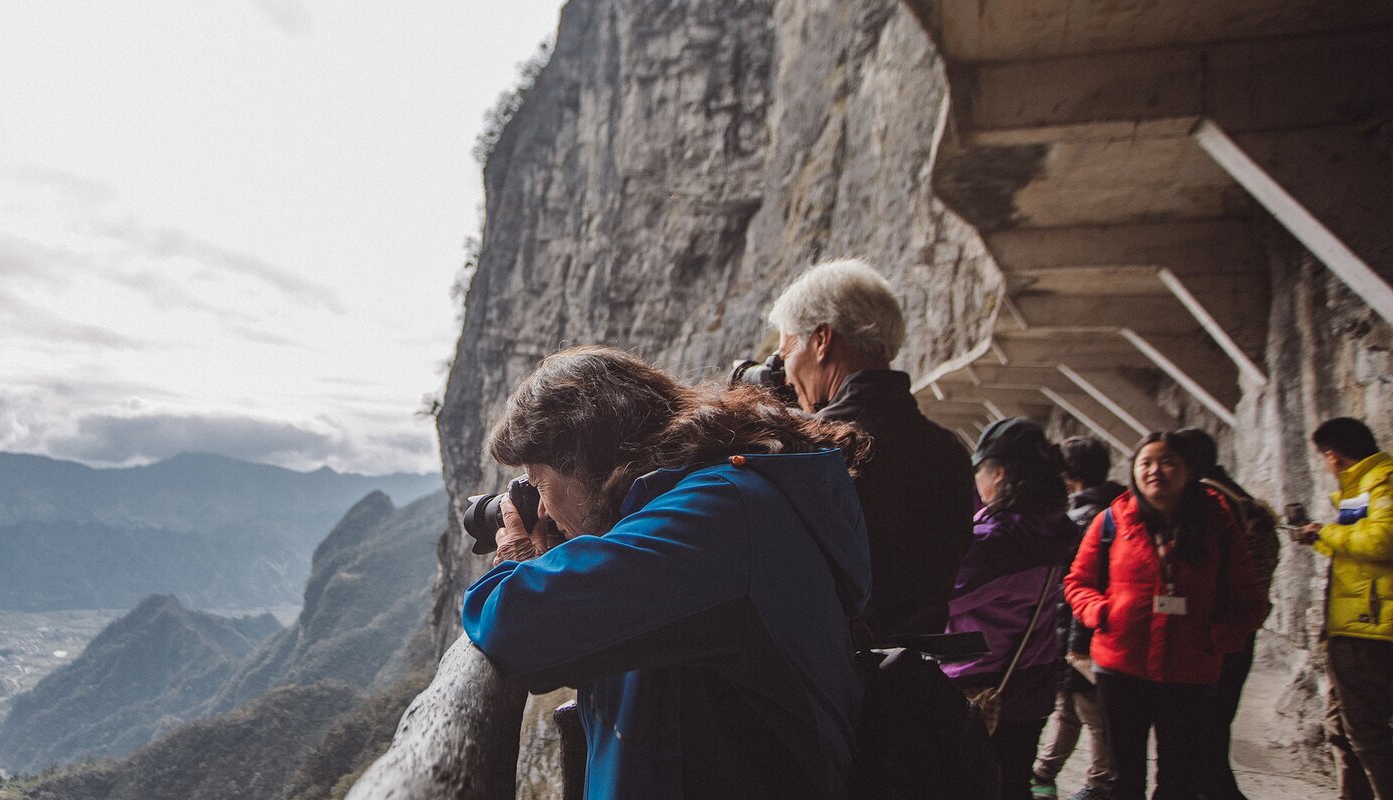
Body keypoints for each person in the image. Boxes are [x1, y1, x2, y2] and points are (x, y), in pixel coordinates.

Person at [461, 345, 871, 800]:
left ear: (586, 459)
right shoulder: (715, 503)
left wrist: (519, 561)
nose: (541, 510)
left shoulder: (716, 516)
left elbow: (515, 624)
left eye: (540, 484)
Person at [768, 257, 974, 641]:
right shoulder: (952, 453)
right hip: (913, 669)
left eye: (785, 353)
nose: (786, 373)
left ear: (822, 340)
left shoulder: (808, 449)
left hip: (829, 668)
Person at [1064, 432, 1269, 799]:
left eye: (1167, 462)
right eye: (1146, 463)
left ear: (1188, 470)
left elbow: (1248, 597)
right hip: (1121, 667)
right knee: (1123, 779)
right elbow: (1078, 582)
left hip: (1190, 671)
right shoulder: (1112, 521)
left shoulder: (1217, 525)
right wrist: (1103, 613)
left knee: (1178, 781)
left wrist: (1219, 637)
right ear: (1134, 470)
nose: (1155, 471)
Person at [943, 418, 1081, 800]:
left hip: (982, 684)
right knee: (1014, 781)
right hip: (1035, 683)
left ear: (999, 473)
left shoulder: (997, 544)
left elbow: (944, 599)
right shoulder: (1055, 529)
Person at [1172, 427, 1281, 800]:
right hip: (1240, 629)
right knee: (1215, 729)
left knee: (1199, 732)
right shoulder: (1244, 499)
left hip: (1210, 631)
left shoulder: (1208, 503)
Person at [1291, 417, 1393, 799]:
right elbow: (1354, 546)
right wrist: (1317, 538)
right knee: (1342, 730)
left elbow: (1383, 540)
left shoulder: (1382, 480)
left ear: (1332, 455)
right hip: (1353, 623)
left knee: (1367, 733)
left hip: (1370, 627)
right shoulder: (1359, 486)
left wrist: (1326, 531)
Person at [1031, 436, 1125, 800]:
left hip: (1081, 629)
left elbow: (1075, 587)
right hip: (1092, 627)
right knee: (1070, 707)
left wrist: (1075, 644)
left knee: (1090, 711)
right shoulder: (1116, 511)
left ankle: (1100, 783)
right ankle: (1045, 771)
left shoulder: (1082, 518)